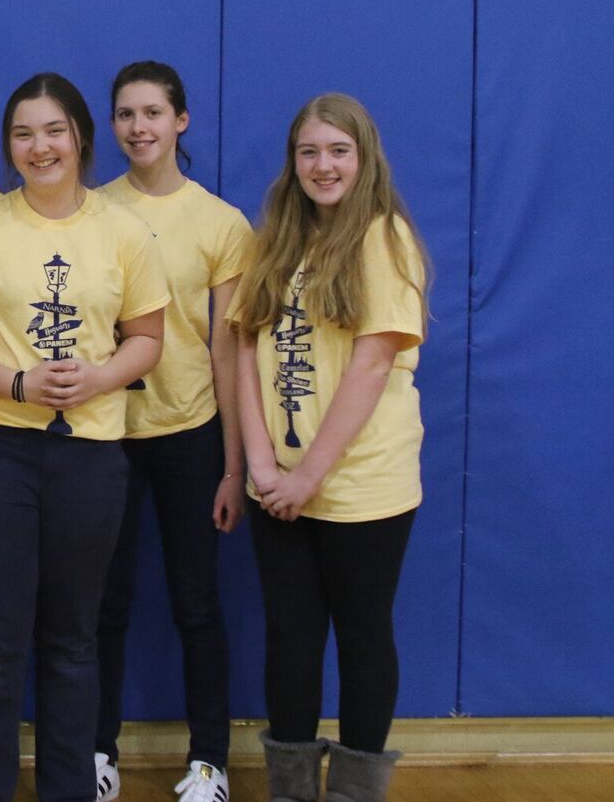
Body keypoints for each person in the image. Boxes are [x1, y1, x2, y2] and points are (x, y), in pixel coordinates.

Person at [0, 73, 168, 802]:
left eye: (54, 130)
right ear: (9, 146)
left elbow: (147, 338)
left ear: (81, 138)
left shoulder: (123, 230)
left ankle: (68, 788)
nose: (40, 147)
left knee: (71, 640)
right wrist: (19, 384)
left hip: (90, 455)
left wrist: (99, 378)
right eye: (23, 133)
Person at [228, 93, 429, 802]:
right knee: (291, 637)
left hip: (362, 487)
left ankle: (353, 791)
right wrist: (260, 464)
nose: (323, 165)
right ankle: (291, 789)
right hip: (278, 486)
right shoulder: (275, 240)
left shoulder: (385, 238)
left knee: (363, 635)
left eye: (339, 151)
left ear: (364, 157)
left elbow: (372, 365)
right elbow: (245, 348)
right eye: (309, 151)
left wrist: (307, 476)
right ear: (293, 161)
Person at [93, 61, 252, 802]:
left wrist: (233, 467)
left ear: (180, 121)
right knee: (102, 602)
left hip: (189, 430)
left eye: (153, 113)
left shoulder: (222, 223)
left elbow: (227, 350)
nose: (139, 128)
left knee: (197, 602)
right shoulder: (91, 209)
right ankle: (97, 752)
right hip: (105, 430)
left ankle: (209, 761)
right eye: (126, 114)